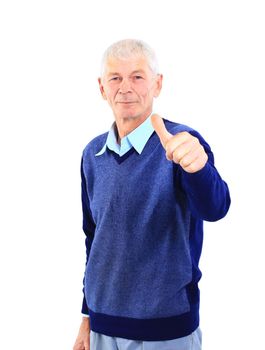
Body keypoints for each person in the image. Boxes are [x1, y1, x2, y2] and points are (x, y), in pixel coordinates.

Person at [73, 39, 231, 350]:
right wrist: (86, 317)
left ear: (157, 84)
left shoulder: (181, 143)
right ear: (102, 88)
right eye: (115, 78)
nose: (125, 87)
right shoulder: (92, 154)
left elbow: (216, 207)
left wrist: (199, 168)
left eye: (137, 76)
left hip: (166, 329)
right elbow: (95, 240)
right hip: (102, 326)